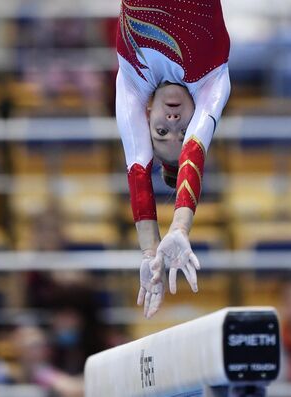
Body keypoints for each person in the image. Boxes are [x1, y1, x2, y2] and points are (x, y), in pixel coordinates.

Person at [115, 1, 231, 317]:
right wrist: (179, 227)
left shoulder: (132, 81)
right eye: (183, 129)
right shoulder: (212, 83)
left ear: (148, 116)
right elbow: (194, 150)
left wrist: (149, 252)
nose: (174, 122)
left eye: (163, 131)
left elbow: (138, 167)